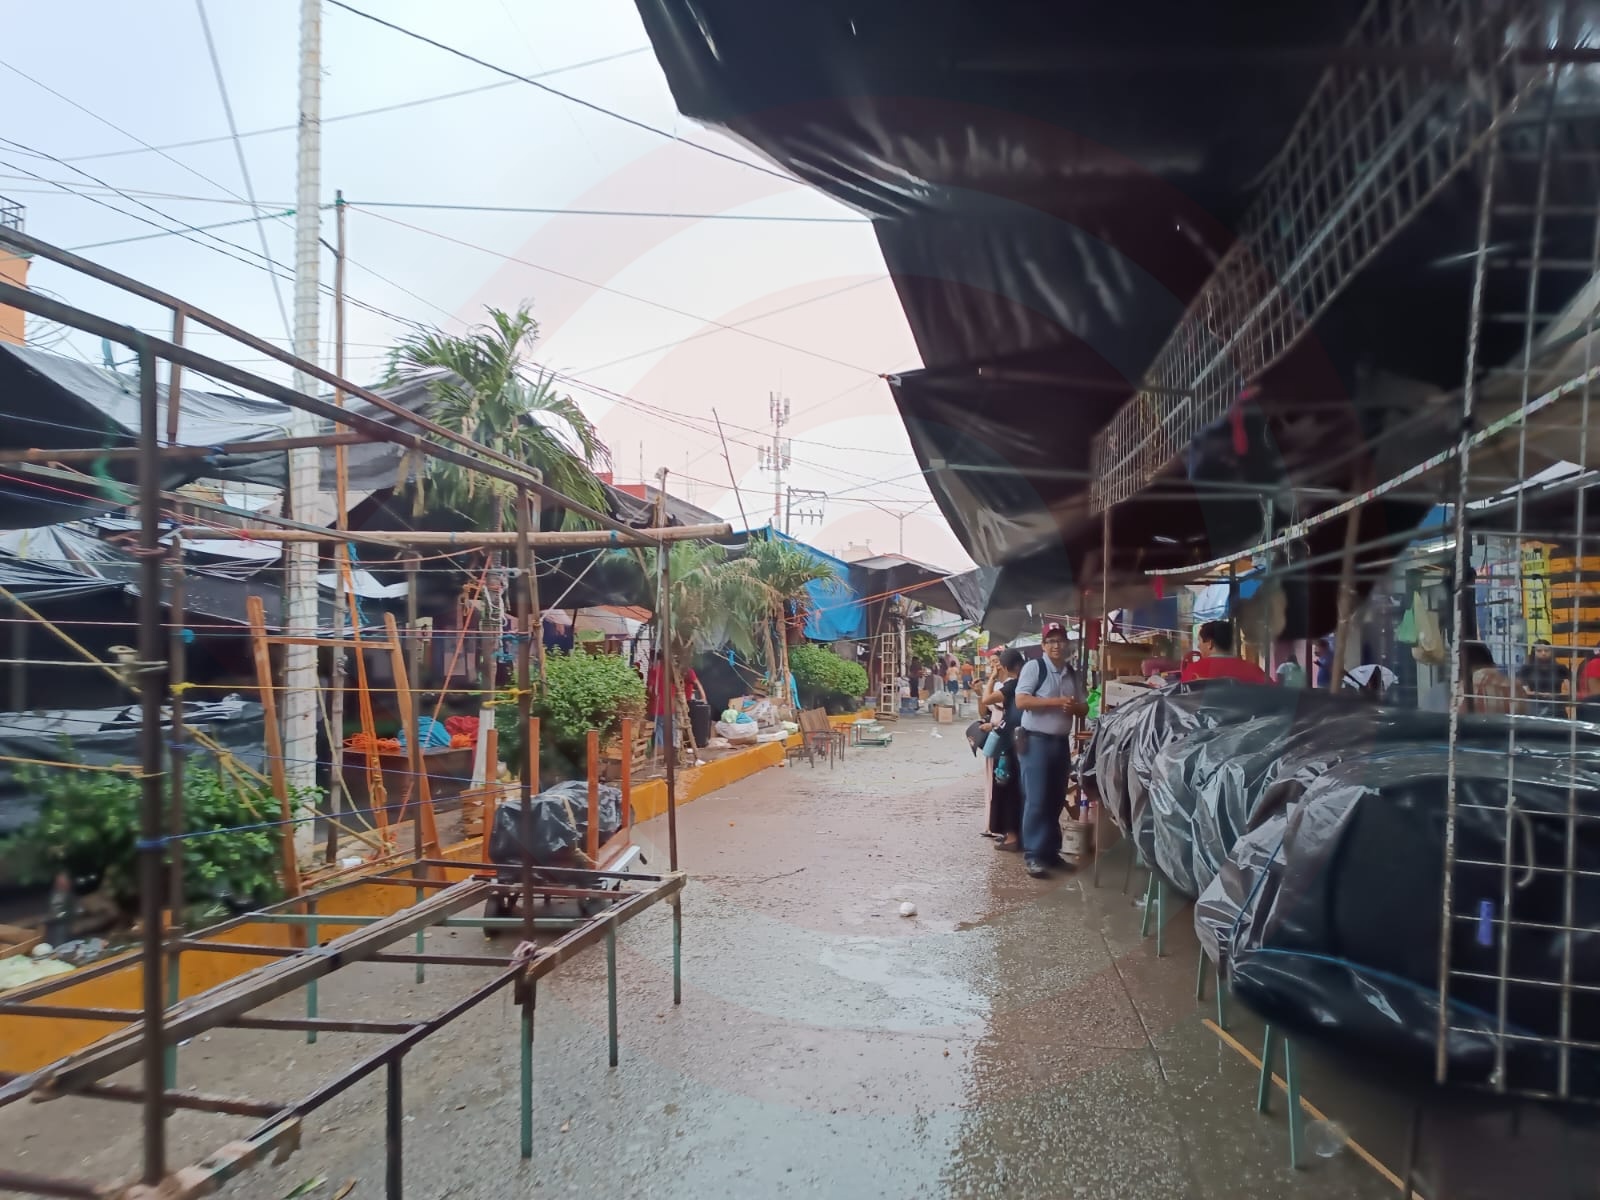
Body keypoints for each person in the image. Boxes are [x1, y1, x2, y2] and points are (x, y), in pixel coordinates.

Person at [1014, 623, 1087, 878]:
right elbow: (1021, 700)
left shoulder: (1072, 673)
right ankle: (1034, 855)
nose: (1057, 645)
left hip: (1060, 743)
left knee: (1056, 799)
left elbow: (1084, 708)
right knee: (1037, 800)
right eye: (1051, 641)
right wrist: (1057, 702)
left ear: (1067, 644)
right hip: (1035, 742)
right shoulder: (1035, 668)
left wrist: (1074, 708)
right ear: (1043, 645)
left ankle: (1050, 852)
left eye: (1061, 640)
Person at [980, 648, 1026, 851]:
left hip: (1010, 742)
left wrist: (991, 678)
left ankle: (1012, 837)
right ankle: (1017, 834)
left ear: (1005, 667)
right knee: (1020, 789)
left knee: (1008, 789)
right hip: (1026, 740)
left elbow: (986, 700)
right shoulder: (1029, 684)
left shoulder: (1011, 686)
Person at [1179, 621, 1271, 684]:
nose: (1198, 646)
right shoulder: (1254, 670)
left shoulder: (1194, 671)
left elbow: (1181, 702)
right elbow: (1274, 695)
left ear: (1210, 644)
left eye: (1199, 641)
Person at [1517, 639, 1569, 716]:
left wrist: (1554, 695)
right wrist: (1538, 694)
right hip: (1534, 709)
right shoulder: (1526, 669)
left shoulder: (1561, 668)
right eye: (1539, 651)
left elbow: (1570, 691)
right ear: (1534, 652)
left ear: (1551, 652)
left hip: (1557, 709)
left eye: (1546, 650)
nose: (1543, 653)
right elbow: (1522, 691)